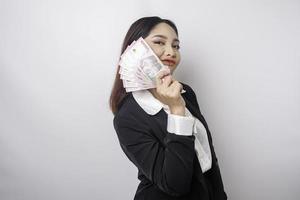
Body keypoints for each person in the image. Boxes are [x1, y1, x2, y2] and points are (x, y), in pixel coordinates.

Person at [110, 16, 227, 200]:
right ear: (135, 50)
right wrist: (176, 111)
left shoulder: (186, 91)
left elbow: (208, 158)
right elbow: (175, 184)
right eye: (159, 42)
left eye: (176, 45)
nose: (171, 52)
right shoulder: (127, 118)